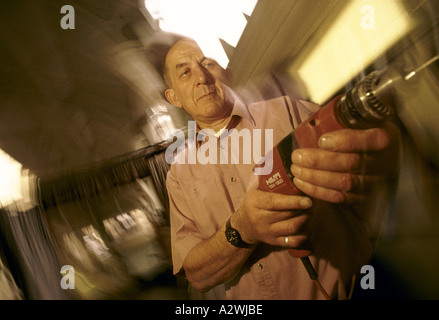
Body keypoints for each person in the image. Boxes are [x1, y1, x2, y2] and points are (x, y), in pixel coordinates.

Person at [156, 36, 400, 299]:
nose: (202, 77)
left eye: (208, 64)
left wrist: (377, 154)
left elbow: (364, 154)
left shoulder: (287, 110)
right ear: (173, 97)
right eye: (185, 72)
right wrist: (243, 229)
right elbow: (197, 275)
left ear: (227, 72)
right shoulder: (179, 175)